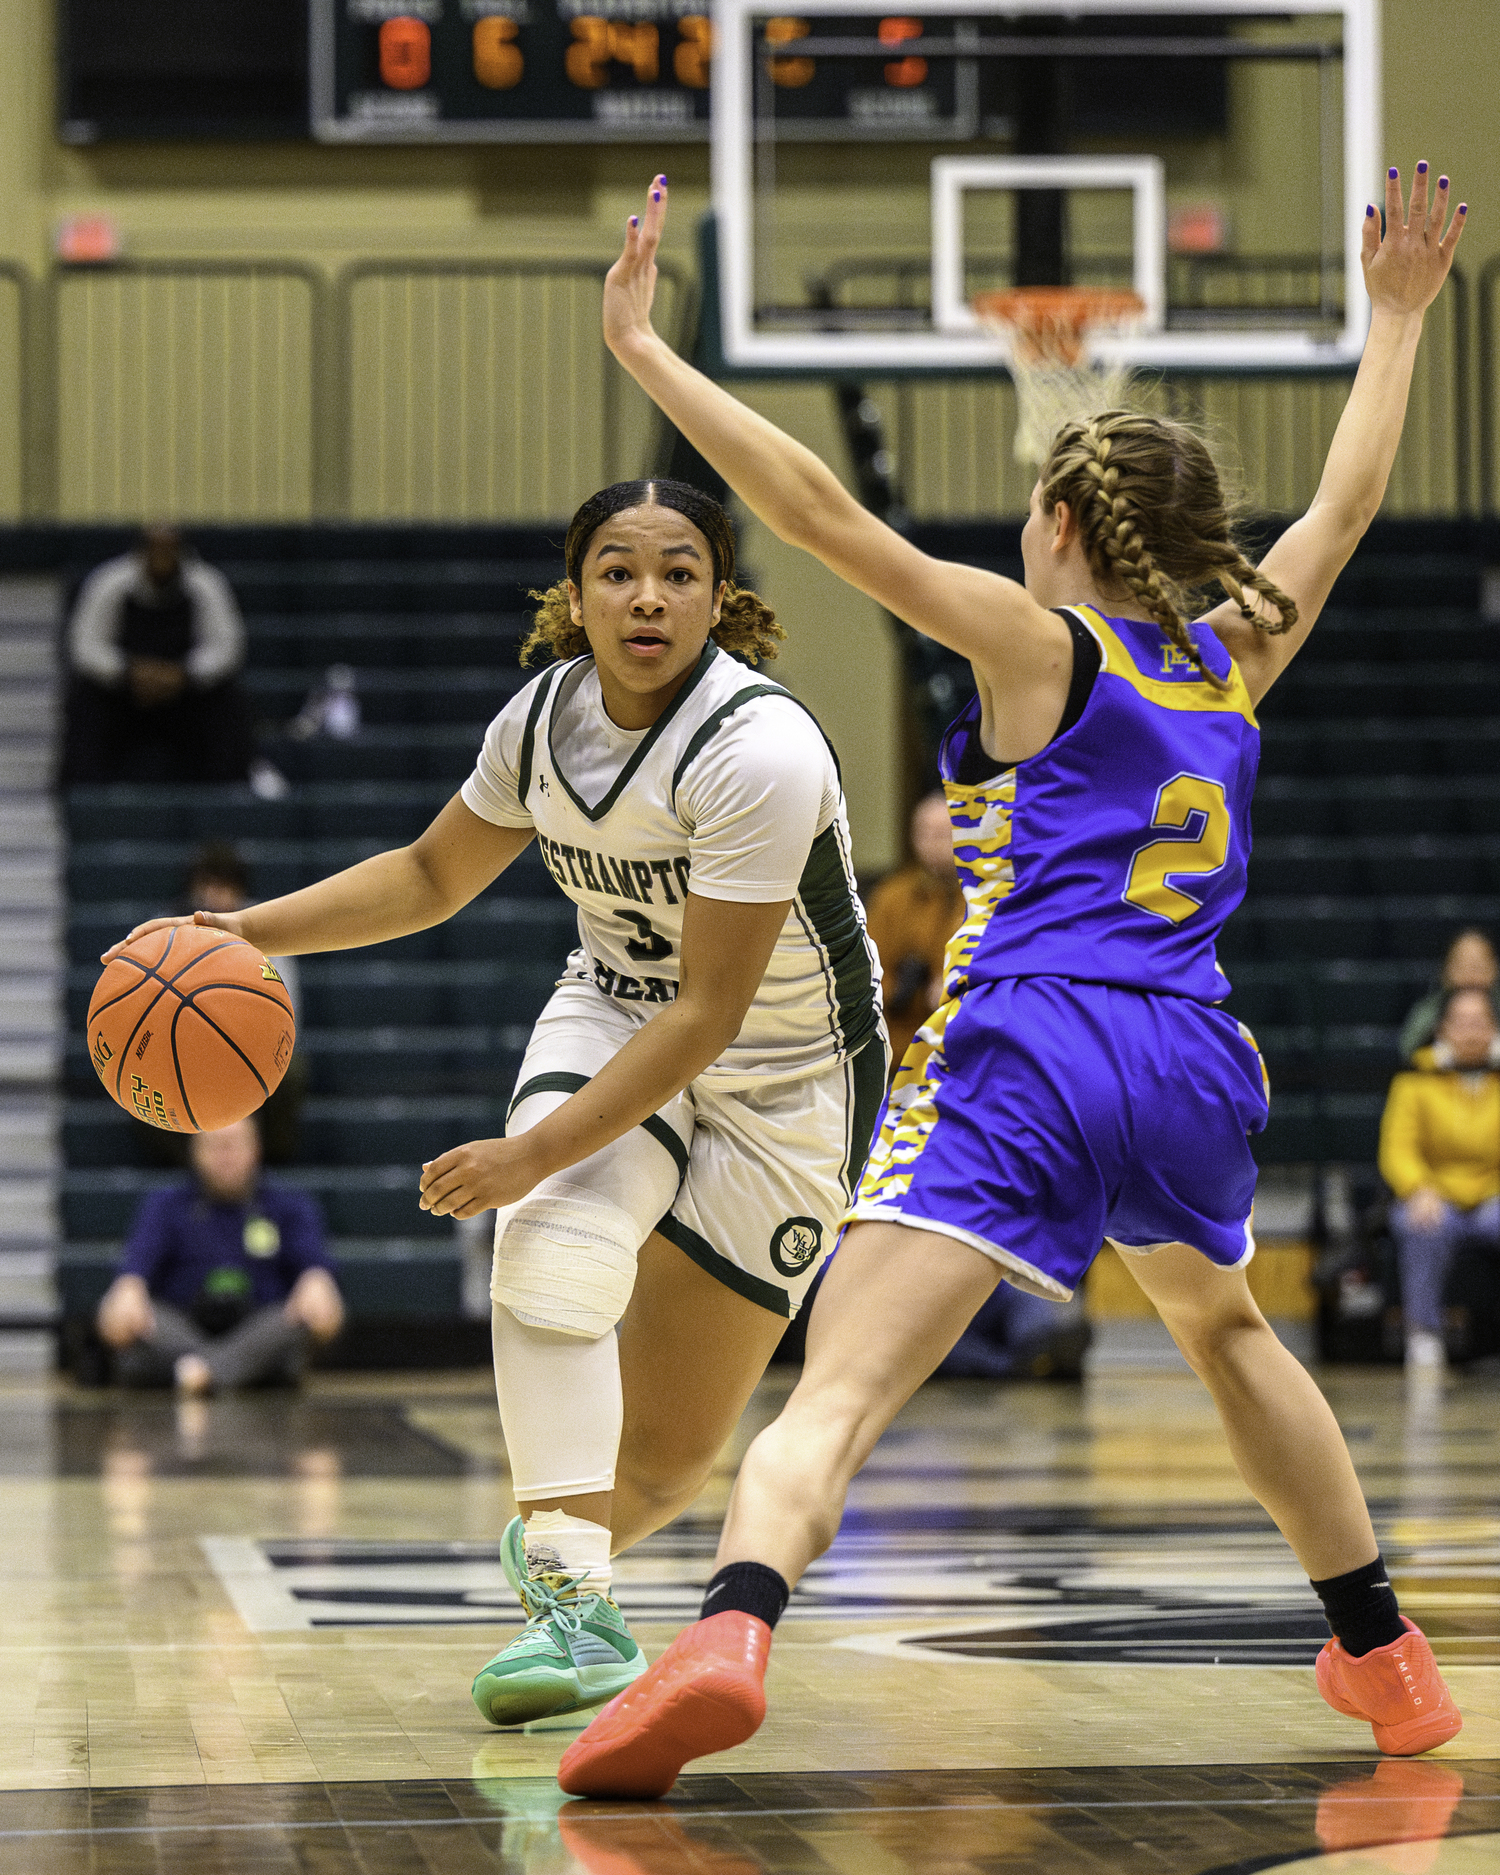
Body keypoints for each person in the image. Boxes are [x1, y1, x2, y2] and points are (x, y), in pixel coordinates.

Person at [555, 165, 1468, 1797]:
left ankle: (730, 1632)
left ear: (1059, 524)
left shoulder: (1040, 644)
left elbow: (822, 512)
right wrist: (1396, 317)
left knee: (835, 1386)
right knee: (1230, 1329)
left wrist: (648, 356)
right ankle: (1383, 1650)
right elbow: (1342, 510)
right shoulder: (1233, 659)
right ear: (1188, 541)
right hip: (1189, 1056)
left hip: (1029, 1043)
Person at [102, 476, 885, 1729]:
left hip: (790, 1073)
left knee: (675, 1452)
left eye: (680, 571)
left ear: (721, 598)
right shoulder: (541, 721)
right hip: (616, 1006)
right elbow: (425, 875)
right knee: (554, 1257)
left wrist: (530, 1153)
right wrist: (239, 933)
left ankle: (564, 1539)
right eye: (619, 569)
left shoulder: (763, 749)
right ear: (573, 597)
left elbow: (712, 1016)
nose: (648, 594)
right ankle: (577, 1610)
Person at [95, 1117, 343, 1393]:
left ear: (256, 1149)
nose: (226, 1157)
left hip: (258, 1326)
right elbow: (128, 1286)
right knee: (132, 1311)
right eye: (214, 1146)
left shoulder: (290, 1205)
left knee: (300, 1314)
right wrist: (127, 1292)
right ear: (195, 1151)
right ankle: (227, 1371)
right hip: (183, 1327)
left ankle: (202, 1372)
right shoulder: (164, 1205)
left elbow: (324, 1311)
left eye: (235, 1145)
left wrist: (317, 1282)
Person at [60, 524, 256, 785]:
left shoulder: (206, 584)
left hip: (185, 696)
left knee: (228, 702)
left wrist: (182, 675)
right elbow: (85, 646)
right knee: (85, 701)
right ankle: (84, 797)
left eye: (169, 550)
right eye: (155, 549)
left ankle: (229, 792)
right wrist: (130, 672)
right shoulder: (109, 582)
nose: (162, 558)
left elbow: (227, 648)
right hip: (123, 695)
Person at [1379, 986, 1500, 1370]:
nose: (1470, 1032)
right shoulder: (1414, 1080)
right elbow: (1397, 1149)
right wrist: (1418, 1189)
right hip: (1434, 1195)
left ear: (1494, 1028)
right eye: (1461, 1023)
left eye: (1479, 1023)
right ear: (1443, 1029)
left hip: (1493, 1196)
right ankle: (1424, 1334)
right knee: (1421, 1224)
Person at [864, 790, 965, 1070]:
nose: (933, 844)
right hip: (899, 1045)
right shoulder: (893, 896)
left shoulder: (982, 898)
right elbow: (865, 977)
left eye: (944, 834)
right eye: (925, 833)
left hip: (961, 1040)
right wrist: (906, 991)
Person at [1398, 928, 1499, 1062]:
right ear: (1447, 969)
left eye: (1478, 965)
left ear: (1494, 968)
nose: (1470, 973)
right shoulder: (1430, 1009)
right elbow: (1408, 1048)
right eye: (1462, 964)